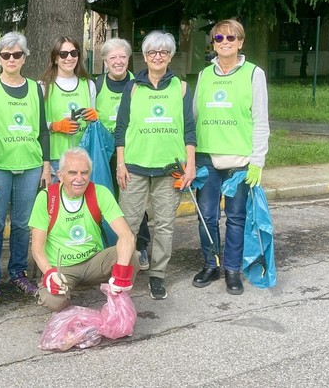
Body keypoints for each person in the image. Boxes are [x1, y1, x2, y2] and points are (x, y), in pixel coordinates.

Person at [115, 31, 196, 300]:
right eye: (152, 52)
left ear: (170, 56)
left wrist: (190, 165)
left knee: (164, 225)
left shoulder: (181, 87)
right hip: (135, 166)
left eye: (163, 52)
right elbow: (121, 127)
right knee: (128, 223)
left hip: (169, 169)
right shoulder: (133, 87)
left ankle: (157, 276)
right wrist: (120, 163)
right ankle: (123, 271)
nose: (157, 56)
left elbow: (189, 130)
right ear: (145, 56)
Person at [192, 19, 269, 295]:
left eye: (231, 38)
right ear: (213, 43)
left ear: (241, 42)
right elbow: (195, 117)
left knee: (236, 218)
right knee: (207, 216)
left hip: (239, 161)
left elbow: (260, 120)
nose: (225, 43)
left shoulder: (253, 74)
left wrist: (257, 161)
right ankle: (211, 264)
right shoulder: (204, 75)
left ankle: (232, 269)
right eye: (219, 38)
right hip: (207, 160)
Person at [0, 32, 50, 302]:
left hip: (31, 165)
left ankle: (18, 274)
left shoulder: (35, 88)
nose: (11, 59)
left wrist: (45, 165)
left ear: (24, 58)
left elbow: (43, 130)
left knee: (22, 224)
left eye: (17, 54)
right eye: (6, 55)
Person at [28, 148, 138, 312]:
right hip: (62, 268)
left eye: (84, 173)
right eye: (73, 173)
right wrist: (49, 273)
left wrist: (121, 273)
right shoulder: (46, 198)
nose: (79, 179)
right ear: (60, 175)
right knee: (52, 301)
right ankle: (61, 293)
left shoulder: (100, 193)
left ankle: (117, 300)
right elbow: (37, 247)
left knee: (132, 256)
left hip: (94, 261)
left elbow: (126, 235)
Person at [94, 37, 151, 271]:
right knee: (103, 200)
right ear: (105, 61)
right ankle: (105, 248)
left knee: (133, 202)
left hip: (131, 153)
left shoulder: (141, 84)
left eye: (122, 56)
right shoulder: (95, 86)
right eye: (112, 57)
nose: (118, 61)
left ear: (129, 59)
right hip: (103, 153)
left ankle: (140, 247)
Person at [39, 36, 97, 182]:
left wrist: (95, 119)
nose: (69, 58)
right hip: (55, 158)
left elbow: (93, 126)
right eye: (63, 54)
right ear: (55, 59)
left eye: (74, 53)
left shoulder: (89, 85)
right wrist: (55, 126)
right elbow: (36, 125)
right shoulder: (43, 86)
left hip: (83, 159)